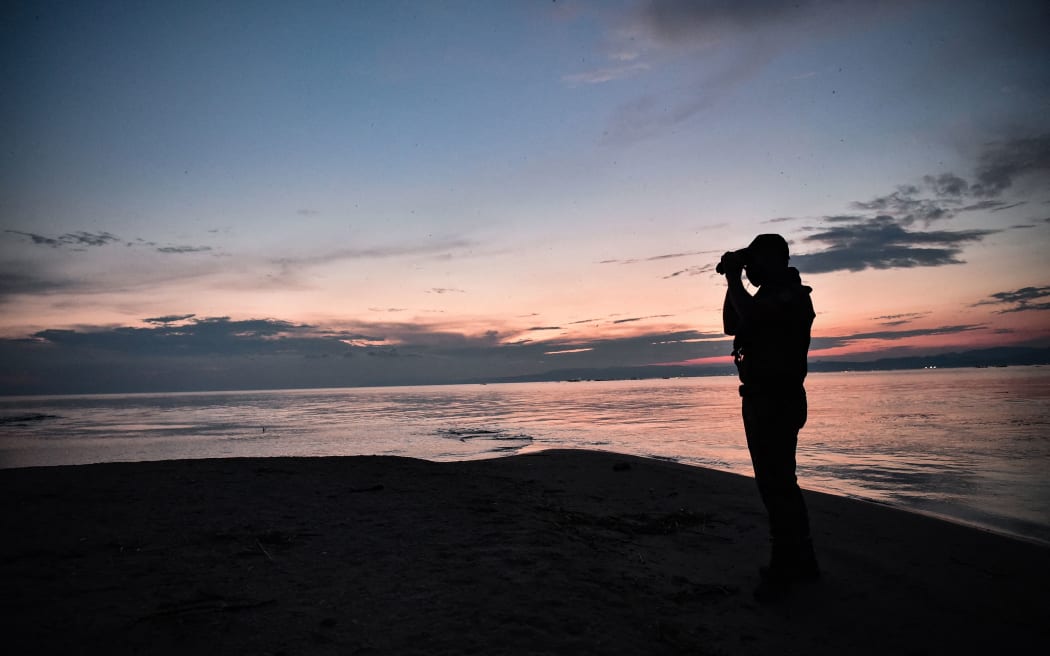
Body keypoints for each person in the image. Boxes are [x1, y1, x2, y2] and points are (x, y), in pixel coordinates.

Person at [719, 233, 819, 600]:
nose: (750, 269)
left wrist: (733, 279)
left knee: (777, 484)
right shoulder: (765, 295)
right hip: (761, 397)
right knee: (775, 483)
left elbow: (755, 316)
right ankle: (801, 561)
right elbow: (733, 323)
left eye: (754, 262)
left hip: (777, 398)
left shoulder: (790, 295)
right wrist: (734, 283)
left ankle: (785, 567)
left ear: (774, 259)